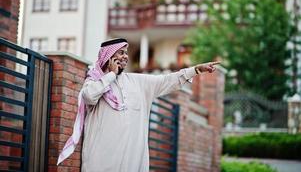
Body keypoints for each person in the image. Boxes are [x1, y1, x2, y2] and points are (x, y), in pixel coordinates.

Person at [57, 38, 220, 171]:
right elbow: (88, 97)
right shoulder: (94, 82)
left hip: (132, 164)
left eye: (126, 53)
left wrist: (195, 70)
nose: (125, 56)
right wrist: (111, 75)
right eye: (120, 53)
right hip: (100, 163)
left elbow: (167, 80)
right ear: (109, 56)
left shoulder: (138, 82)